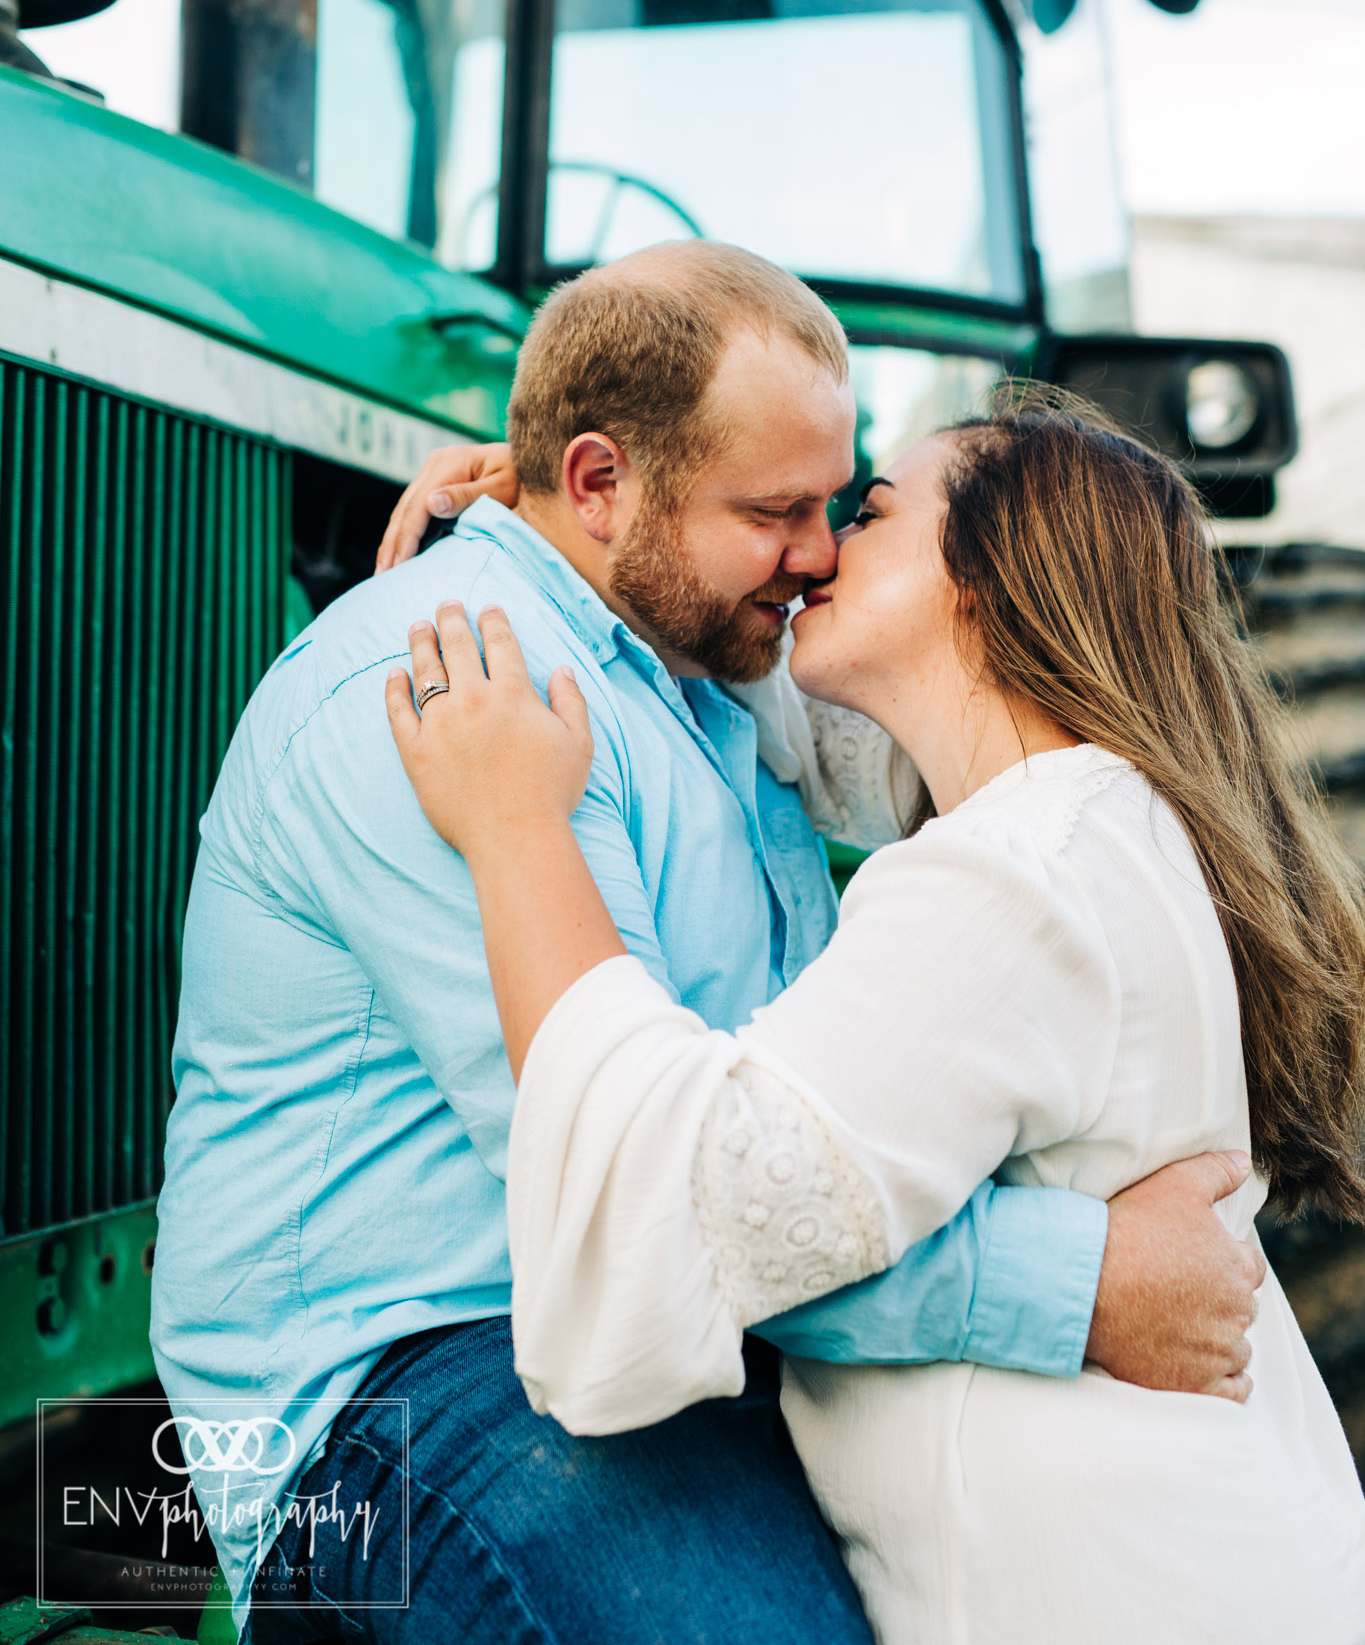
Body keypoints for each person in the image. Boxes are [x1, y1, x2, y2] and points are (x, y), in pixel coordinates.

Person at [152, 244, 1263, 1644]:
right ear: (604, 484)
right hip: (391, 1397)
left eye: (836, 505)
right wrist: (1080, 1284)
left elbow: (960, 715)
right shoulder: (448, 703)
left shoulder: (712, 680)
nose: (816, 557)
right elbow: (652, 1215)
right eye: (776, 511)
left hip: (652, 1339)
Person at [386, 387, 1365, 1644]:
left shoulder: (1015, 872)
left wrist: (516, 825)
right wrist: (584, 510)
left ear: (989, 579)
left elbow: (671, 1207)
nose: (818, 550)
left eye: (873, 512)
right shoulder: (1098, 818)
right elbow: (796, 725)